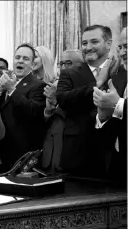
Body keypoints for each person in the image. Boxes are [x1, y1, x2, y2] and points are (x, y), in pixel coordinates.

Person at [56, 25, 119, 177]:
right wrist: (96, 84)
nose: (88, 47)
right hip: (79, 154)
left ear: (108, 43)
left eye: (94, 42)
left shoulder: (121, 71)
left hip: (116, 154)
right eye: (84, 43)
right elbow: (63, 99)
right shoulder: (70, 73)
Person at [0, 43, 47, 170]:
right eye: (17, 57)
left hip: (22, 152)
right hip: (0, 148)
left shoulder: (38, 85)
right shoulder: (5, 81)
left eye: (25, 59)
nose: (20, 61)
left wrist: (12, 90)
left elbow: (33, 112)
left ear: (33, 64)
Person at [93, 27, 127, 183]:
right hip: (118, 169)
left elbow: (119, 106)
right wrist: (103, 116)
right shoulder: (119, 79)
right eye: (120, 47)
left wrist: (118, 104)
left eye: (127, 47)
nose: (121, 53)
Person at [32, 46, 63, 173]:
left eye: (35, 56)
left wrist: (51, 109)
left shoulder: (56, 82)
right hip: (32, 138)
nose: (32, 60)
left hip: (51, 140)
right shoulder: (27, 83)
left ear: (44, 59)